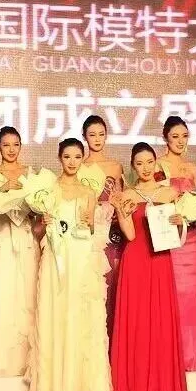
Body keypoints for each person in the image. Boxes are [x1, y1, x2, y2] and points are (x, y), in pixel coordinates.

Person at [26, 138, 112, 391]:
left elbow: (94, 232)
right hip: (55, 259)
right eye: (67, 157)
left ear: (82, 158)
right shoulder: (48, 191)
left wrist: (90, 224)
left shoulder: (89, 192)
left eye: (77, 157)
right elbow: (37, 232)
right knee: (55, 314)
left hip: (80, 259)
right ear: (59, 158)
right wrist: (44, 224)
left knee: (79, 316)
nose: (72, 162)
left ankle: (78, 388)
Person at [109, 143, 190, 391]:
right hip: (136, 261)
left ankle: (160, 387)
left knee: (160, 320)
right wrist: (123, 213)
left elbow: (179, 235)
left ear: (156, 163)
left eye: (149, 162)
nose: (145, 168)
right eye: (139, 163)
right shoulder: (127, 194)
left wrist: (181, 223)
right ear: (133, 166)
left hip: (160, 259)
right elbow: (130, 235)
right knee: (138, 321)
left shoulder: (170, 193)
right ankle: (135, 388)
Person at [0, 126, 41, 377]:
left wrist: (37, 210)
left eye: (15, 144)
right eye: (6, 145)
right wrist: (1, 194)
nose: (11, 150)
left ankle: (28, 361)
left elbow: (39, 213)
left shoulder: (31, 175)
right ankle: (1, 360)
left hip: (26, 239)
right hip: (3, 240)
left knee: (27, 296)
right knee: (3, 295)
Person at [159, 116, 196, 371]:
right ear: (165, 138)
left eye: (184, 136)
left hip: (191, 236)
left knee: (191, 293)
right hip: (169, 235)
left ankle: (192, 354)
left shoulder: (193, 168)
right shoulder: (158, 165)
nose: (180, 141)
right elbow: (155, 199)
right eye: (175, 136)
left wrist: (194, 215)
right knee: (172, 292)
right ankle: (170, 353)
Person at [81, 115, 125, 331]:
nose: (97, 139)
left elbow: (120, 197)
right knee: (88, 285)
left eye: (101, 134)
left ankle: (110, 336)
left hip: (110, 232)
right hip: (87, 232)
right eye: (92, 135)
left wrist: (116, 210)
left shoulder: (115, 166)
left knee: (111, 281)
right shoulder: (79, 165)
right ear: (84, 137)